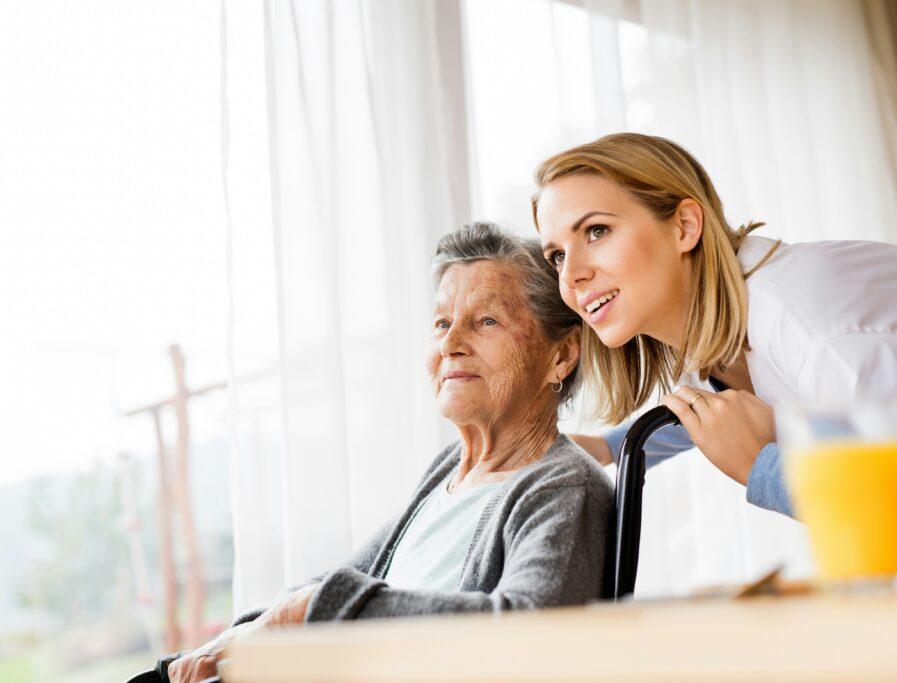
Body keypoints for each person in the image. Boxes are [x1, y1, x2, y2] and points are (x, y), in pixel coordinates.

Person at [532, 132, 897, 567]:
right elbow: (717, 411)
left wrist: (766, 470)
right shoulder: (722, 338)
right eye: (556, 255)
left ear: (684, 226)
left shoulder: (818, 329)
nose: (571, 275)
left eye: (596, 231)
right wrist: (607, 448)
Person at [163, 222, 613, 683]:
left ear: (562, 354)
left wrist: (305, 612)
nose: (450, 344)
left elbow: (532, 632)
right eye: (441, 323)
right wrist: (231, 639)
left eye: (486, 321)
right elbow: (339, 582)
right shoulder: (448, 474)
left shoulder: (563, 488)